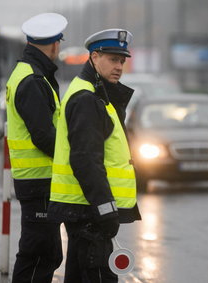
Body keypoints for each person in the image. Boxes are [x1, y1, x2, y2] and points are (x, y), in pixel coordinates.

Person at [48, 28, 141, 282]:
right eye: (112, 59)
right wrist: (105, 208)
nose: (119, 66)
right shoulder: (87, 98)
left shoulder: (95, 92)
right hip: (89, 211)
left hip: (86, 210)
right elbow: (86, 160)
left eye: (122, 61)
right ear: (94, 57)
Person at [5, 12, 67, 283]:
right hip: (38, 183)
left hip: (38, 183)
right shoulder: (32, 80)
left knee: (49, 254)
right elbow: (44, 136)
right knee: (38, 254)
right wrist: (72, 157)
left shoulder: (30, 73)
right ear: (54, 44)